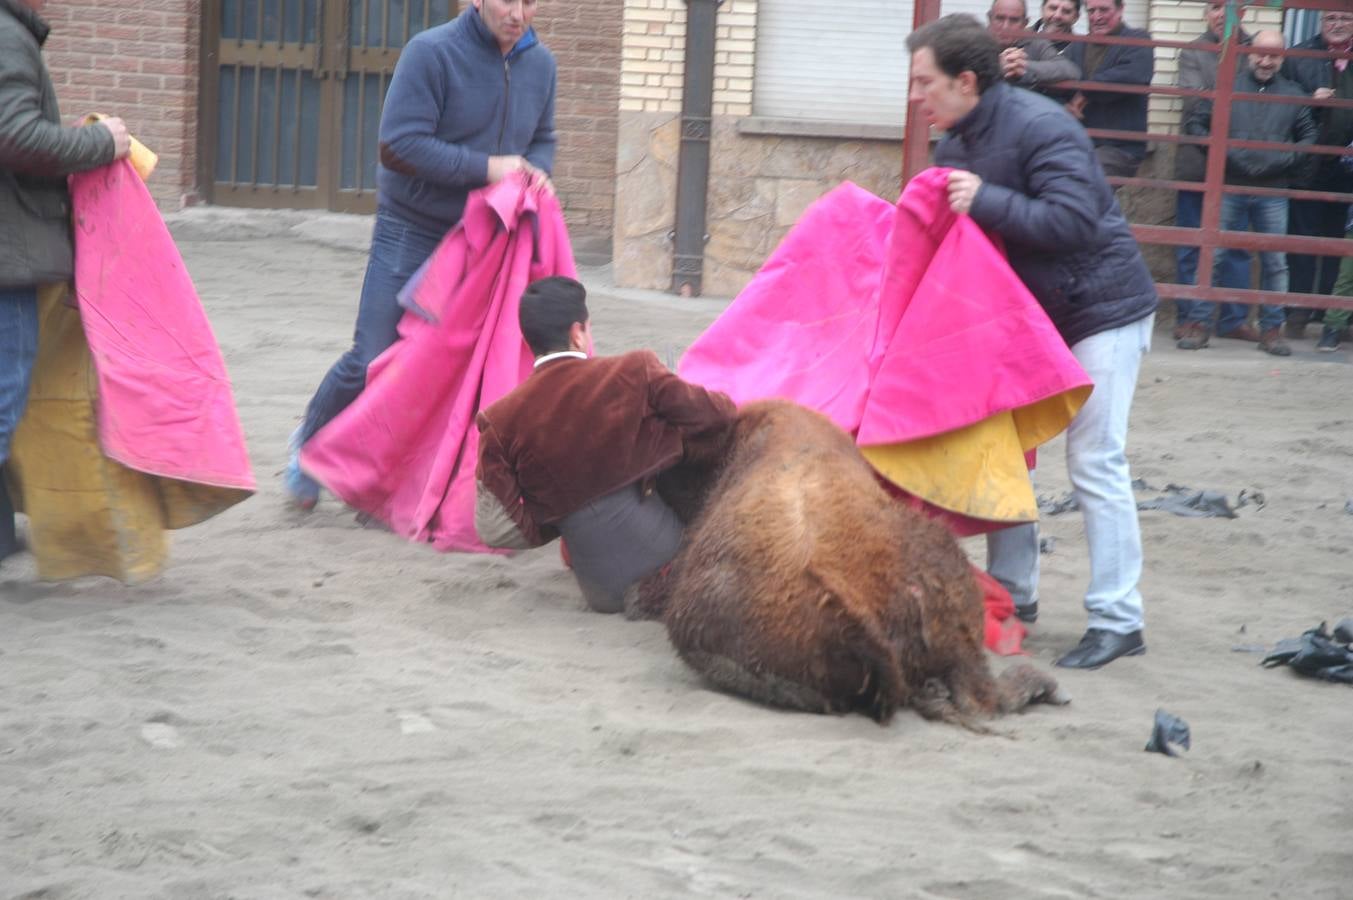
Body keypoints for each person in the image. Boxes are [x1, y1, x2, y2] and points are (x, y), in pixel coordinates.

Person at [907, 14, 1158, 669]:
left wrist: (985, 200)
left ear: (964, 81)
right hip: (1028, 319)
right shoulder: (955, 146)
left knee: (1094, 458)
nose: (917, 97)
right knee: (1002, 450)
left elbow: (1073, 221)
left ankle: (1117, 618)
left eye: (924, 82)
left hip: (1100, 310)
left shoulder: (1043, 125)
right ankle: (1016, 594)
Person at [285, 0, 558, 508]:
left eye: (530, 1)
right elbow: (399, 145)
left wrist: (537, 169)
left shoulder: (541, 65)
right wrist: (490, 168)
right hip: (411, 227)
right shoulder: (431, 53)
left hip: (485, 237)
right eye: (507, 0)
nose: (519, 12)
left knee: (439, 367)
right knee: (373, 356)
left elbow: (542, 138)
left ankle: (381, 481)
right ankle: (307, 445)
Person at [474, 277, 737, 614]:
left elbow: (495, 529)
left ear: (529, 342)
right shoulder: (634, 370)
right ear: (577, 332)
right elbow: (717, 417)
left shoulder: (499, 420)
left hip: (602, 595)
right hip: (674, 565)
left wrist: (560, 514)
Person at [0, 0, 131, 566]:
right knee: (4, 400)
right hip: (7, 255)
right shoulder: (6, 36)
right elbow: (15, 136)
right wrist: (101, 145)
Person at [1180, 30, 1316, 357]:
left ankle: (1272, 331)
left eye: (1274, 55)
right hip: (1229, 186)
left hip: (1273, 190)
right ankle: (1199, 326)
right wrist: (1225, 154)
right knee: (1212, 256)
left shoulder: (1294, 94)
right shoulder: (1224, 87)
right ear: (1249, 53)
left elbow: (1310, 136)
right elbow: (1196, 124)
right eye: (1260, 54)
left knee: (1275, 263)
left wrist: (1280, 160)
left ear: (1283, 57)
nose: (1266, 61)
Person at [1173, 1, 1253, 347]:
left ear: (1244, 12)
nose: (1223, 13)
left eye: (1231, 6)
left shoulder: (1259, 49)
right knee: (1191, 243)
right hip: (1198, 164)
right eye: (1216, 6)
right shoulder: (1192, 51)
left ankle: (1233, 320)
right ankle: (1189, 318)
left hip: (1245, 166)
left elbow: (1268, 98)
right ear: (1207, 13)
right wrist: (1244, 104)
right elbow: (1195, 100)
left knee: (1237, 245)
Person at [1280, 9, 1353, 339]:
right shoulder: (1300, 56)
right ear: (1320, 22)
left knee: (1341, 241)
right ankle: (1298, 311)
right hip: (1308, 166)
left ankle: (1332, 311)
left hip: (1348, 168)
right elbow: (1283, 103)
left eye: (1345, 18)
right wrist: (1309, 100)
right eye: (1330, 18)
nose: (1337, 25)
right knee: (1303, 239)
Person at [1065, 0, 1154, 180]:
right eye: (1091, 11)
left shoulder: (1138, 40)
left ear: (1121, 9)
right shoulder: (1076, 47)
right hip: (1080, 143)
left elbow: (1133, 76)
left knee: (1085, 180)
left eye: (1104, 10)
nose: (1097, 17)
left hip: (1120, 148)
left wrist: (1084, 93)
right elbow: (1060, 82)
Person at [988, 0, 1080, 97]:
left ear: (1025, 23)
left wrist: (1022, 67)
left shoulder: (1036, 43)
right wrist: (998, 66)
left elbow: (1070, 70)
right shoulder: (976, 40)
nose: (1005, 26)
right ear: (990, 18)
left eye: (1014, 20)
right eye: (1000, 18)